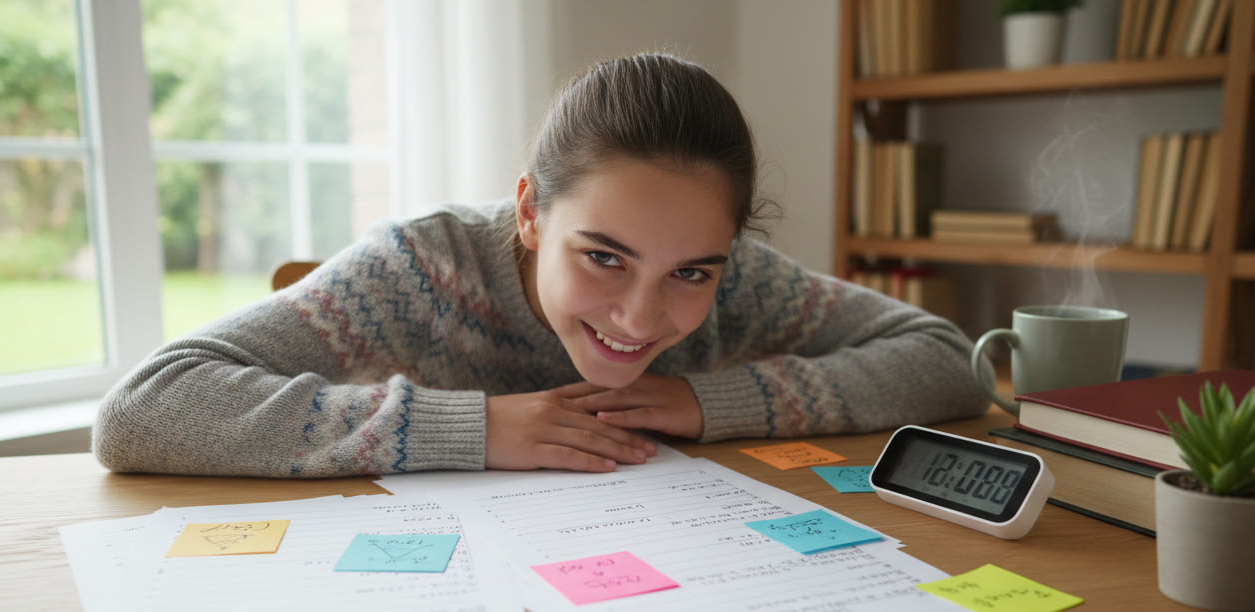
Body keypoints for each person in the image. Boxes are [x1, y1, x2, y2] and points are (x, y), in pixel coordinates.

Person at [93, 52, 989, 478]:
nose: (641, 318)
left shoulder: (740, 280)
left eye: (691, 273)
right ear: (528, 212)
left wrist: (707, 400)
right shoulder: (419, 269)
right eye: (603, 257)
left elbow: (947, 361)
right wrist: (473, 429)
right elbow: (143, 409)